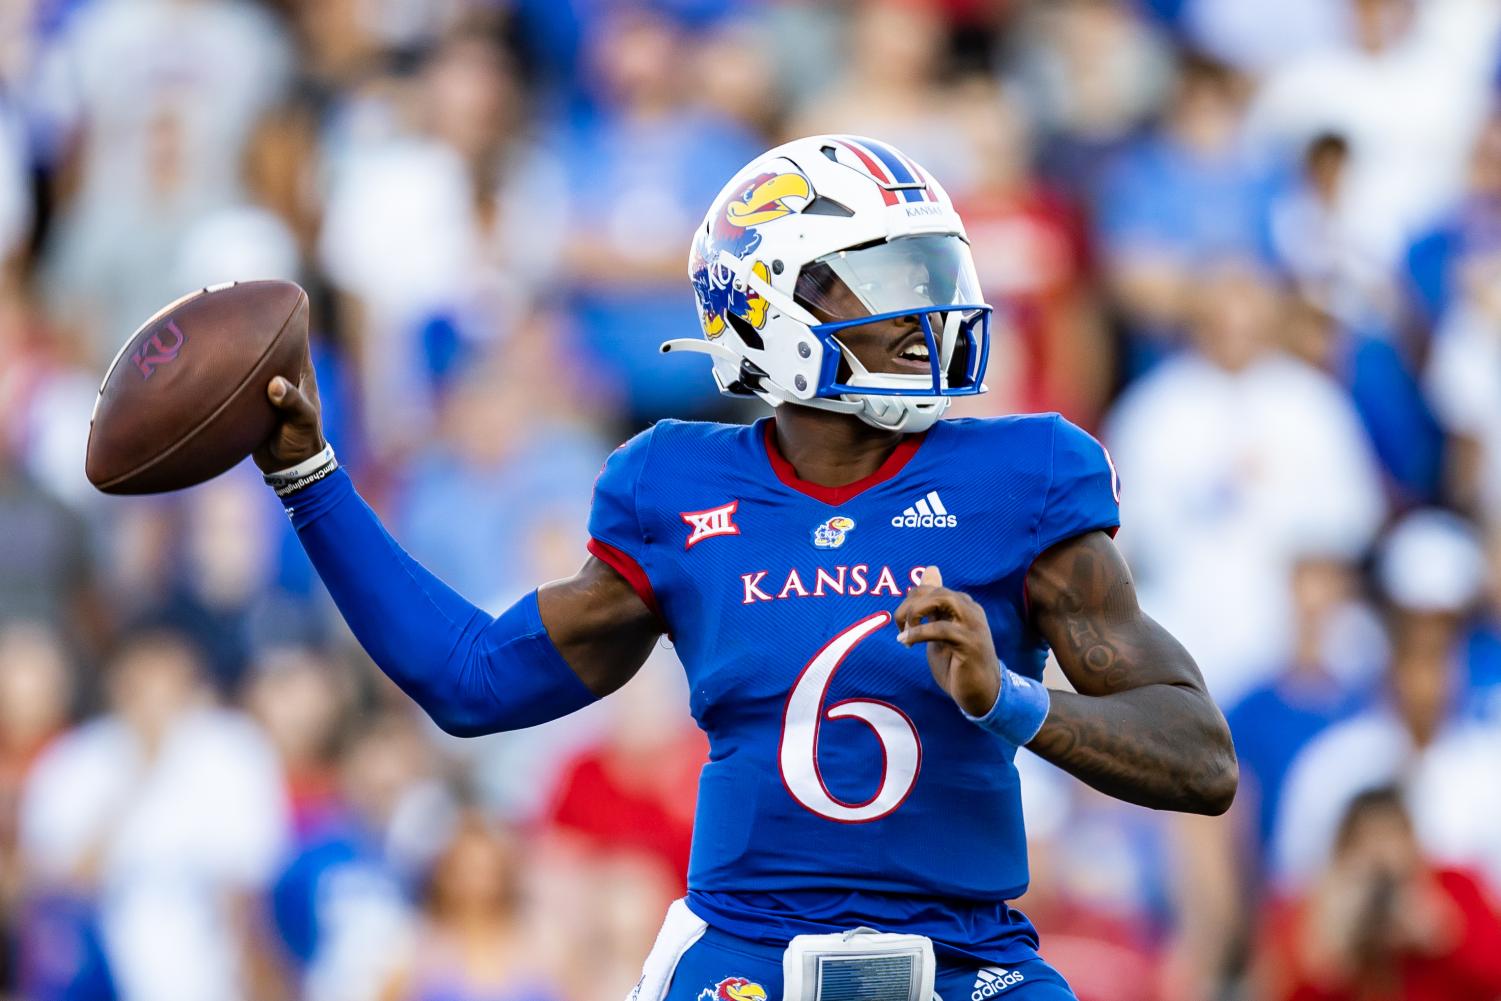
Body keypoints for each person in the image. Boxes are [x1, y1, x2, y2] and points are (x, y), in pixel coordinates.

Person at [251, 135, 1236, 1001]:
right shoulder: (674, 484)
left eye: (932, 273)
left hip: (963, 955)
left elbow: (1199, 757)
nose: (925, 310)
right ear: (772, 299)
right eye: (885, 277)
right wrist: (308, 474)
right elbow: (472, 679)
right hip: (746, 957)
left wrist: (1011, 697)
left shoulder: (1021, 474)